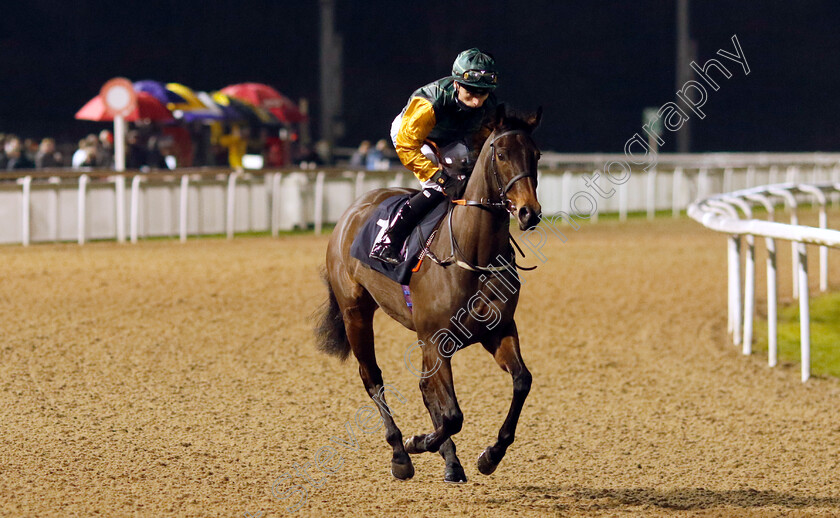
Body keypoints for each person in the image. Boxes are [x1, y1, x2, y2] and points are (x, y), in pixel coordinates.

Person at [369, 47, 499, 264]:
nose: (477, 102)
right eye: (471, 93)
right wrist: (439, 176)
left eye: (482, 94)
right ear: (456, 84)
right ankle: (388, 240)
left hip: (449, 137)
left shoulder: (489, 104)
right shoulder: (429, 103)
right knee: (439, 186)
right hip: (412, 135)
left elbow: (481, 141)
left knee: (467, 181)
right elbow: (407, 145)